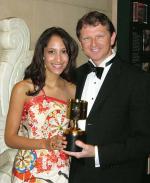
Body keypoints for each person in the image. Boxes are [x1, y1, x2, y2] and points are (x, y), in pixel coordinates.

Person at [64, 11, 150, 183]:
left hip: (119, 176)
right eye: (86, 38)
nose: (93, 43)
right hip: (78, 176)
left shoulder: (138, 79)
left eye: (100, 36)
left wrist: (97, 153)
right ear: (81, 43)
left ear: (112, 38)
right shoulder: (75, 76)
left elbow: (144, 141)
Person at [4, 27, 78, 183]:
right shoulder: (23, 89)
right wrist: (45, 143)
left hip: (62, 170)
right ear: (42, 54)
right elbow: (10, 138)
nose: (58, 59)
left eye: (63, 51)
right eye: (52, 52)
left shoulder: (73, 90)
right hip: (29, 171)